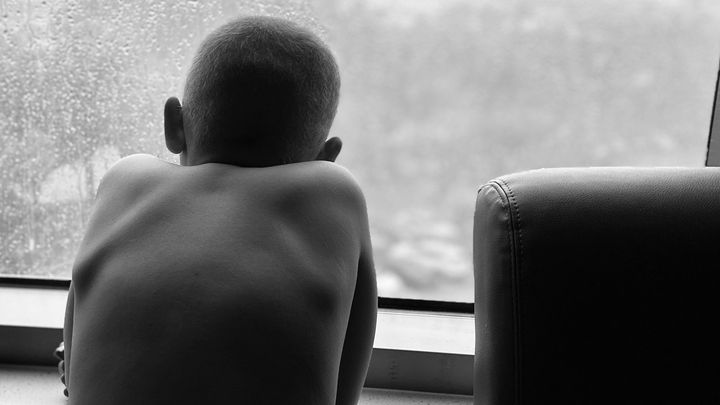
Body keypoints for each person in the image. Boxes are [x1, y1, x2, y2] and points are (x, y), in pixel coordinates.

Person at [61, 16, 377, 405]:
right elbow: (345, 388)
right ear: (325, 157)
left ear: (174, 124)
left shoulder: (124, 181)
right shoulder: (335, 192)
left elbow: (77, 360)